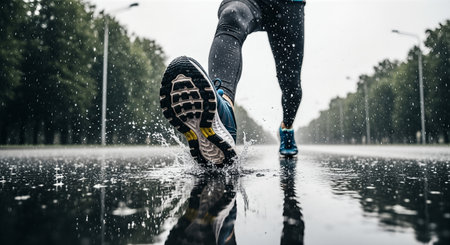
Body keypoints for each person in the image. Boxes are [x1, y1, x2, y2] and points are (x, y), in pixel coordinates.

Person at [160, 0, 305, 166]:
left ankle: (287, 127)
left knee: (291, 84)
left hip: (289, 4)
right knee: (232, 15)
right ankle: (222, 111)